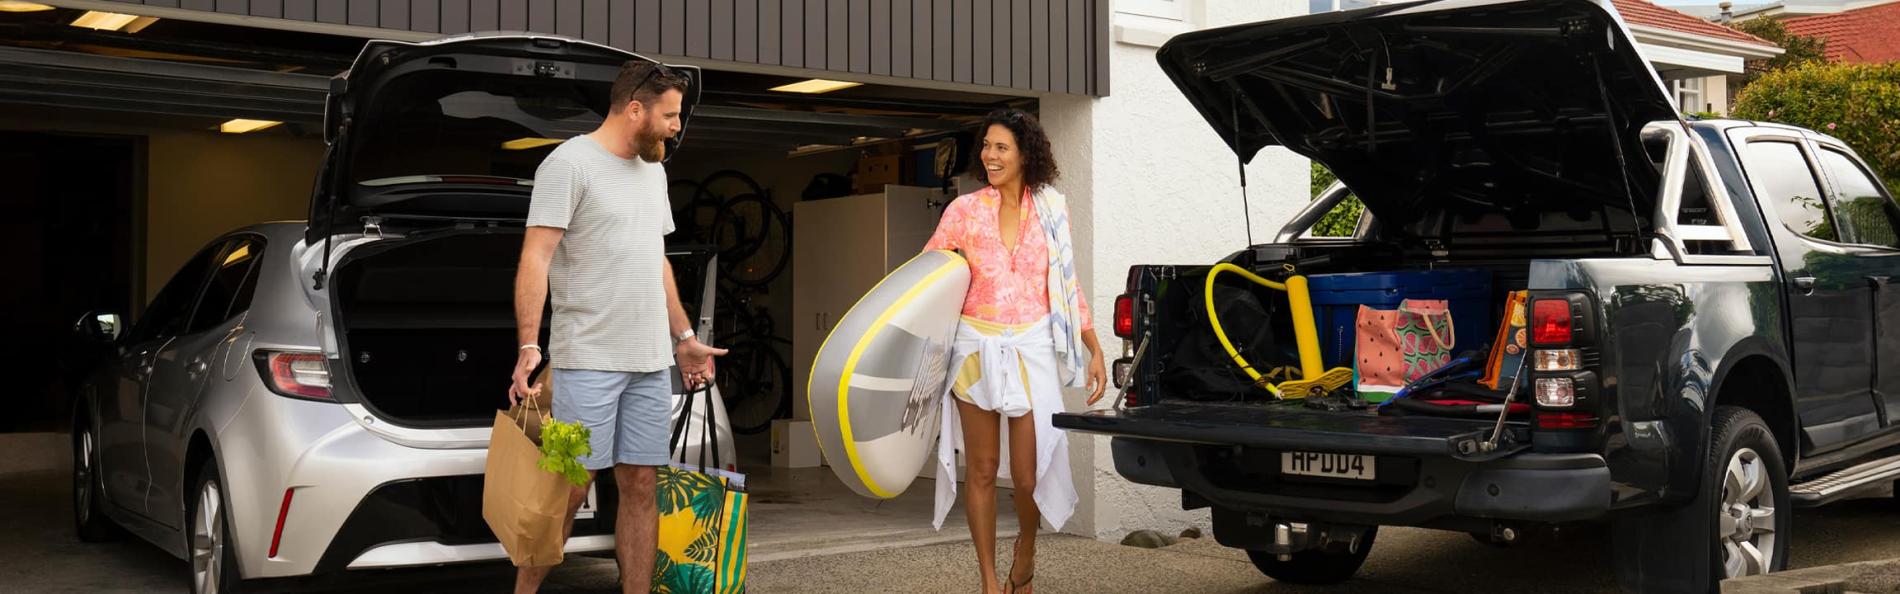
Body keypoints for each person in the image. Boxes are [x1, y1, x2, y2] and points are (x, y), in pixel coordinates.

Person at [506, 60, 726, 594]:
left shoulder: (654, 170)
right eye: (670, 115)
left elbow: (657, 261)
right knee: (569, 488)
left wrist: (683, 340)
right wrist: (529, 345)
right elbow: (536, 257)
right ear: (635, 110)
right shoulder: (569, 165)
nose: (678, 126)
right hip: (588, 360)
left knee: (642, 485)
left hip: (649, 362)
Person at [924, 108, 1109, 594]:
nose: (989, 155)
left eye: (1001, 147)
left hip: (1031, 348)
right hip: (974, 350)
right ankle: (988, 580)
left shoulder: (1051, 209)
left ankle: (1024, 551)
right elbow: (928, 279)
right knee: (982, 470)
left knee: (1027, 476)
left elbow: (1067, 287)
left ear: (1025, 153)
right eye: (986, 146)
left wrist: (1093, 345)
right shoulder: (962, 211)